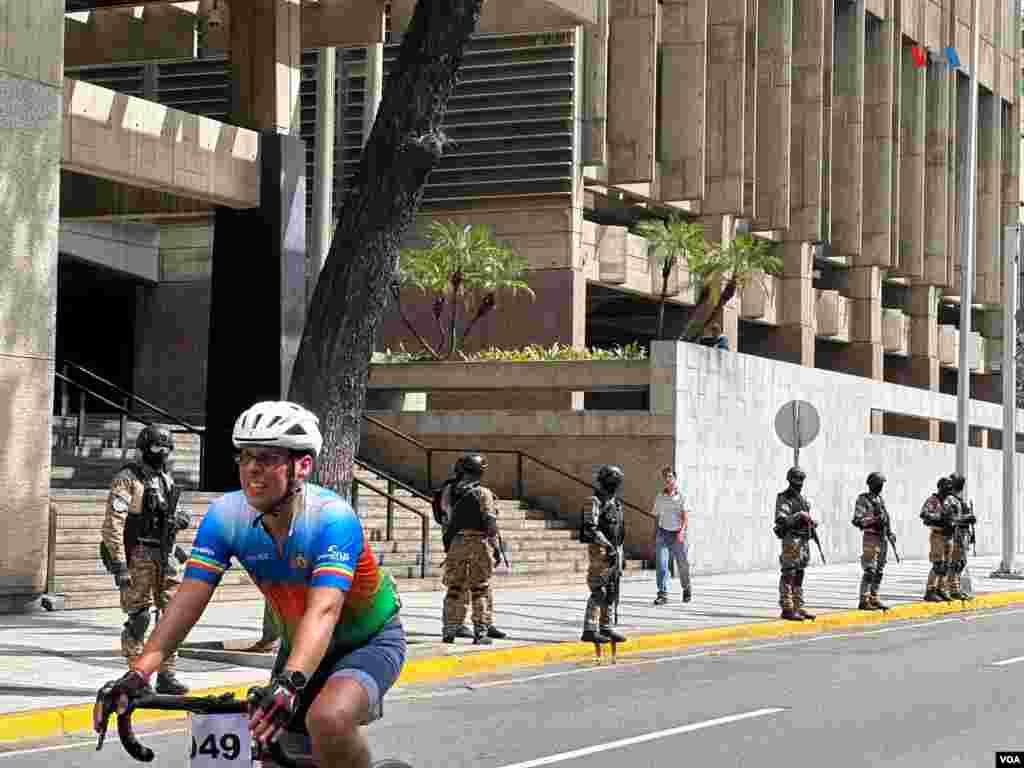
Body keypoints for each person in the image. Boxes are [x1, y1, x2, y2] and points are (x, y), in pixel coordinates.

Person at [94, 401, 406, 768]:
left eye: (269, 458)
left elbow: (324, 609)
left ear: (302, 466)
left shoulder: (332, 518)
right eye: (245, 456)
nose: (253, 469)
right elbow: (187, 602)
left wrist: (289, 684)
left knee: (328, 719)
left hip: (365, 641)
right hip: (300, 646)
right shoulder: (226, 516)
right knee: (268, 750)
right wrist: (139, 672)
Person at [99, 424, 190, 695]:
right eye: (156, 447)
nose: (161, 453)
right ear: (143, 448)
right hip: (138, 554)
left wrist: (181, 518)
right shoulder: (128, 478)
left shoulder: (166, 478)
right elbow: (113, 524)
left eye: (166, 448)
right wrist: (119, 565)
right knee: (139, 617)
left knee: (173, 615)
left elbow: (169, 511)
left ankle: (167, 673)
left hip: (165, 553)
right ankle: (136, 676)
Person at [435, 456, 506, 642]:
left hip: (456, 543)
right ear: (480, 471)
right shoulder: (483, 493)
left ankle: (449, 630)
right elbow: (490, 523)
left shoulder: (448, 491)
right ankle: (481, 631)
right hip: (478, 544)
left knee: (454, 588)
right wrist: (496, 547)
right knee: (480, 588)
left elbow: (443, 517)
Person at [580, 465, 627, 644]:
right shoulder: (594, 501)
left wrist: (620, 554)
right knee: (599, 590)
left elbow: (620, 531)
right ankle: (589, 629)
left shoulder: (616, 503)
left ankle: (606, 628)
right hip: (601, 550)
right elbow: (590, 528)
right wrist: (608, 546)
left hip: (615, 550)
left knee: (611, 590)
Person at [773, 466, 816, 621]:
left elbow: (807, 518)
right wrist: (798, 516)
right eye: (796, 480)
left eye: (801, 481)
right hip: (791, 539)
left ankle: (798, 605)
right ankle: (787, 607)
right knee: (789, 572)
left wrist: (811, 523)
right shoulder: (784, 497)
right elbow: (781, 519)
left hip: (803, 540)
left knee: (799, 572)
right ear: (790, 480)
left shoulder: (803, 500)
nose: (799, 484)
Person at [851, 472, 891, 610]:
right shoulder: (863, 500)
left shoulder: (880, 499)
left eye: (881, 484)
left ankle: (874, 597)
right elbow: (857, 520)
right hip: (871, 537)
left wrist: (890, 532)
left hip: (882, 537)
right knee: (870, 570)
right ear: (871, 484)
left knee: (879, 570)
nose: (880, 487)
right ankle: (864, 599)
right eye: (878, 484)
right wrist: (873, 520)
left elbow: (885, 517)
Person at [651, 466, 691, 605]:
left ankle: (686, 588)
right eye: (666, 477)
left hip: (678, 534)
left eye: (670, 477)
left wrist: (681, 532)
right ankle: (662, 594)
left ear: (675, 479)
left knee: (682, 565)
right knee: (662, 565)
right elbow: (656, 516)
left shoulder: (681, 496)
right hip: (663, 533)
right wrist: (655, 533)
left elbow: (685, 517)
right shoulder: (660, 497)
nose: (668, 480)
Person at [920, 476, 954, 602]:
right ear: (940, 487)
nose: (949, 490)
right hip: (938, 535)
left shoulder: (950, 501)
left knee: (946, 565)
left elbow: (955, 516)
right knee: (938, 564)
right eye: (947, 487)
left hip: (949, 535)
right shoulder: (932, 500)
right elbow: (924, 514)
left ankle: (941, 589)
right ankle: (930, 590)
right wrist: (940, 517)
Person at [947, 472, 976, 600]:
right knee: (955, 563)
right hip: (956, 534)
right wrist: (967, 517)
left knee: (961, 562)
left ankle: (956, 588)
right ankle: (953, 589)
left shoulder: (958, 499)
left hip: (963, 534)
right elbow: (951, 519)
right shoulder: (950, 500)